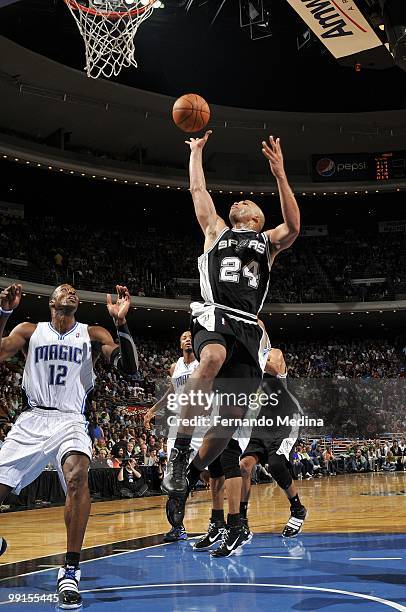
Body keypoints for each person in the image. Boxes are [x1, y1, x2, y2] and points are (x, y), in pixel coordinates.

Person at [162, 130, 300, 527]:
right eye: (237, 200)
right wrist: (195, 152)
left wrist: (280, 174)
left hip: (248, 328)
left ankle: (189, 474)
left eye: (247, 202)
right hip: (214, 312)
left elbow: (293, 225)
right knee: (211, 357)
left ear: (256, 218)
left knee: (228, 420)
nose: (238, 200)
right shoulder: (215, 230)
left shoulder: (267, 241)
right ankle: (179, 452)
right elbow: (196, 189)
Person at [0, 283, 138, 609]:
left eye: (74, 290)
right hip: (32, 419)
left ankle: (70, 569)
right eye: (63, 289)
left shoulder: (91, 333)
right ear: (51, 302)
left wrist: (121, 325)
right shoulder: (30, 330)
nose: (70, 291)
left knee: (77, 474)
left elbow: (129, 368)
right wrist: (4, 314)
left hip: (71, 420)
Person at [144, 331, 199, 542]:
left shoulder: (204, 361)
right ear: (179, 343)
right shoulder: (175, 368)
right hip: (178, 426)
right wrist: (153, 410)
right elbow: (171, 392)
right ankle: (178, 527)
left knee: (211, 473)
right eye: (184, 337)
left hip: (202, 423)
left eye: (191, 337)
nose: (187, 339)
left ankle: (220, 521)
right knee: (174, 478)